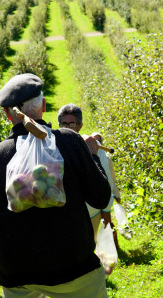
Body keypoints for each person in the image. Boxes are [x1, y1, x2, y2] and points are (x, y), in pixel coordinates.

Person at [0, 73, 111, 298]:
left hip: (18, 274)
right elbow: (100, 198)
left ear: (8, 115)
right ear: (43, 106)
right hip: (74, 266)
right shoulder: (70, 141)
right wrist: (93, 155)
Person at [57, 104, 115, 243]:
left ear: (80, 125)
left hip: (89, 213)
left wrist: (106, 211)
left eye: (72, 123)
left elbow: (106, 181)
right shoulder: (53, 149)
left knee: (86, 248)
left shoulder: (94, 149)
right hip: (62, 212)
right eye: (63, 124)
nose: (67, 128)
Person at [91, 132, 121, 249]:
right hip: (94, 196)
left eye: (98, 140)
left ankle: (115, 245)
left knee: (107, 222)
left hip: (105, 195)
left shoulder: (106, 158)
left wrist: (116, 195)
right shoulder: (89, 156)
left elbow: (112, 178)